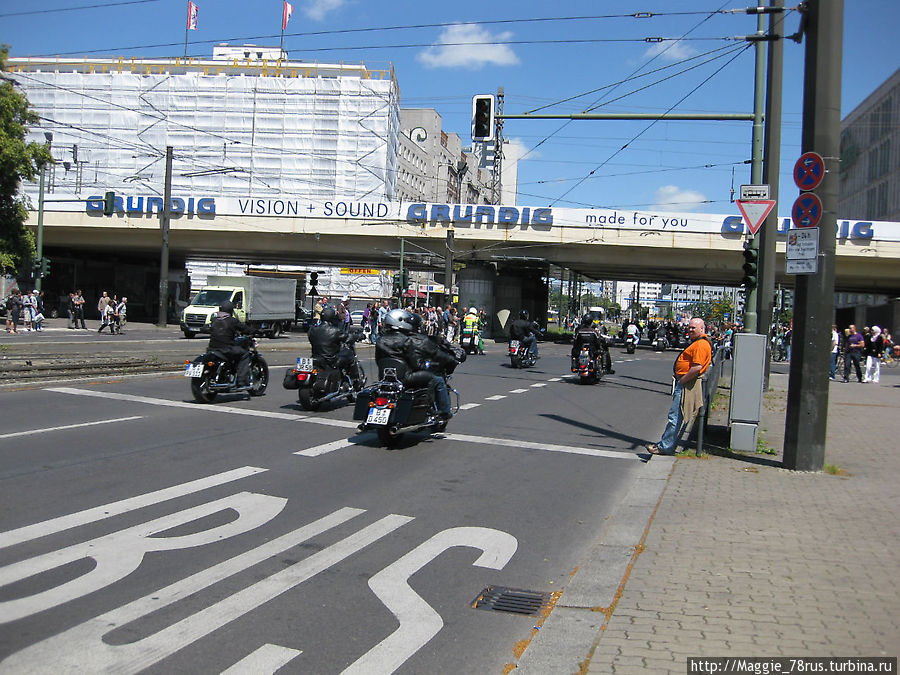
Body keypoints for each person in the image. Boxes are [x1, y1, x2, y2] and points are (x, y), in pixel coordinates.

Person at [376, 308, 458, 420]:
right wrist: (423, 365)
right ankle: (444, 411)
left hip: (385, 379)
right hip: (405, 378)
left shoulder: (380, 340)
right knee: (437, 380)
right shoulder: (406, 341)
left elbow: (378, 360)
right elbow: (415, 364)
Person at [647, 317, 713, 456]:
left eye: (693, 328)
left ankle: (665, 446)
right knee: (676, 415)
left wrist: (683, 380)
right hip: (685, 381)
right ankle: (666, 444)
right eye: (689, 327)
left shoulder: (701, 344)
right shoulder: (698, 343)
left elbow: (697, 367)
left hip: (686, 383)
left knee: (675, 416)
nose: (690, 329)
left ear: (702, 328)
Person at [307, 306, 363, 387]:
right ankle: (355, 381)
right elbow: (348, 338)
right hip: (331, 359)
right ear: (332, 318)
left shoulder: (312, 329)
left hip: (316, 357)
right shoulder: (334, 331)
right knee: (350, 355)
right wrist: (358, 336)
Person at [207, 300, 252, 387]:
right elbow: (245, 328)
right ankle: (241, 380)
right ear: (231, 310)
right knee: (244, 354)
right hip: (225, 350)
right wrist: (257, 331)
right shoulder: (232, 321)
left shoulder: (214, 320)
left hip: (212, 349)